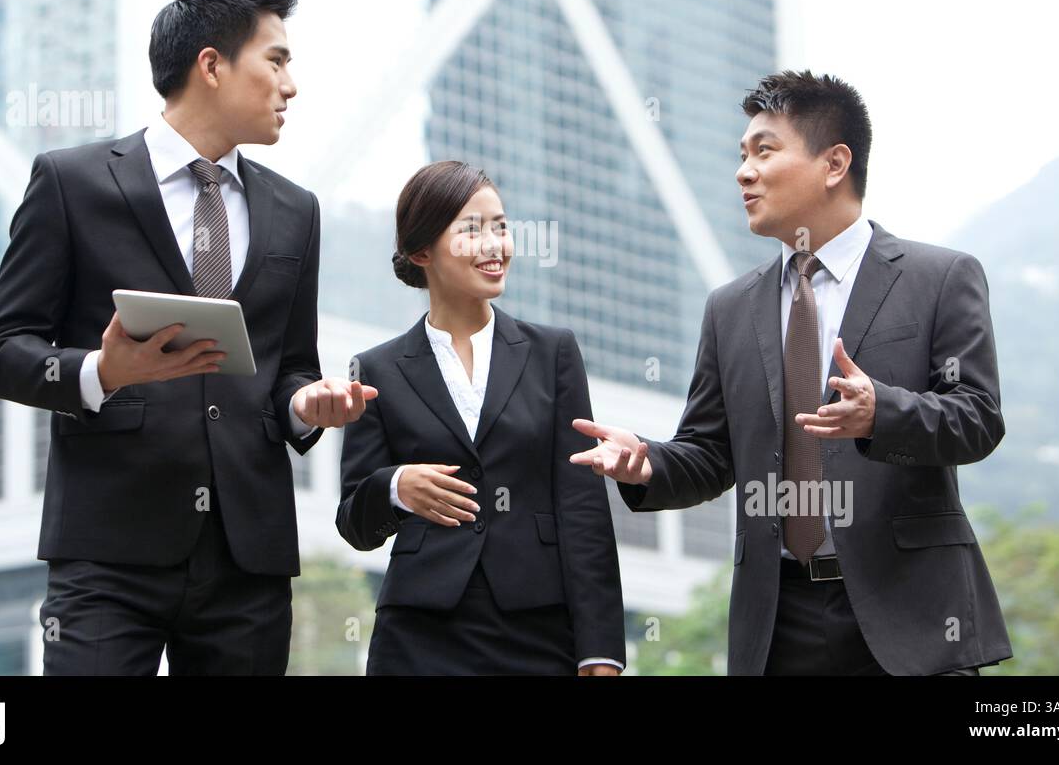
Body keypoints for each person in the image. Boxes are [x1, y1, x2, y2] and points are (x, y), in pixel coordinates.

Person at [0, 0, 375, 675]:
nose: (292, 85)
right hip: (107, 548)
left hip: (246, 557)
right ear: (212, 65)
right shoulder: (72, 184)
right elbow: (4, 351)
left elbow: (292, 369)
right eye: (277, 60)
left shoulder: (296, 212)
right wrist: (102, 372)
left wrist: (307, 405)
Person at [571, 71, 1012, 676]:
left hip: (909, 615)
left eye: (764, 151)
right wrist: (648, 462)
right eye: (741, 155)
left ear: (834, 163)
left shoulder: (939, 278)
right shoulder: (730, 308)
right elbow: (711, 452)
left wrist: (881, 411)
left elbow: (977, 418)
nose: (743, 172)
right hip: (778, 622)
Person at [337, 161, 626, 675]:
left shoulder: (553, 353)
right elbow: (355, 524)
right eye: (473, 229)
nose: (495, 244)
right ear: (422, 251)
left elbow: (582, 509)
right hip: (419, 634)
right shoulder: (376, 368)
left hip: (538, 628)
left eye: (501, 226)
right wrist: (398, 486)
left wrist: (601, 648)